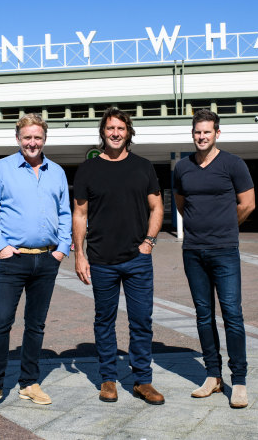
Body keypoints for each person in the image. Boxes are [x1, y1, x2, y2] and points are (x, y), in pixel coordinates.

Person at [0, 113, 71, 414]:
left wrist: (61, 249)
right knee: (1, 322)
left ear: (44, 139)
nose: (32, 142)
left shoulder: (56, 172)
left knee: (36, 325)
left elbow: (65, 212)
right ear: (18, 138)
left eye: (37, 137)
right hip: (13, 260)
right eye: (27, 137)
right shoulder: (2, 169)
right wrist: (1, 247)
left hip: (46, 259)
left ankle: (29, 382)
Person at [73, 107, 165, 405]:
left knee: (141, 321)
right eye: (110, 128)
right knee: (104, 321)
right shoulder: (88, 169)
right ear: (103, 132)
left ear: (129, 133)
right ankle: (108, 379)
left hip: (137, 259)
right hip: (101, 260)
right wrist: (79, 255)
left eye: (121, 129)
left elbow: (157, 207)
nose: (115, 133)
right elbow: (80, 213)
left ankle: (142, 381)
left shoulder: (143, 166)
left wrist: (149, 242)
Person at [173, 109, 255, 409]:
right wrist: (201, 227)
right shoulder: (182, 167)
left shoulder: (233, 164)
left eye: (207, 132)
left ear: (217, 133)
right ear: (192, 134)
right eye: (197, 132)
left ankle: (240, 380)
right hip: (193, 251)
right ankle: (212, 375)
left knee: (232, 315)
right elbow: (182, 204)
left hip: (225, 251)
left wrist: (224, 227)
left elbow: (248, 204)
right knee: (203, 314)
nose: (201, 136)